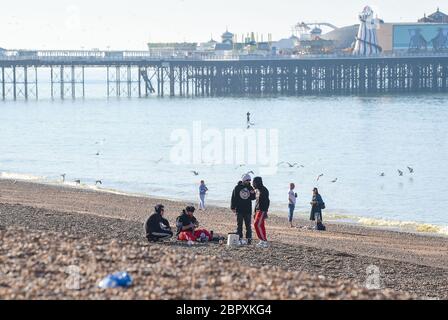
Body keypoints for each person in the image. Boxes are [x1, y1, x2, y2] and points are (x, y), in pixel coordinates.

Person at [231, 174, 256, 245]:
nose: (248, 182)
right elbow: (233, 197)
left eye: (249, 180)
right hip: (239, 209)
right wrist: (232, 207)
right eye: (247, 180)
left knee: (248, 225)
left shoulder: (250, 187)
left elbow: (253, 198)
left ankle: (249, 239)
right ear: (244, 180)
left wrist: (253, 193)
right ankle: (240, 238)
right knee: (239, 225)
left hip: (248, 209)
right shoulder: (237, 187)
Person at [252, 177, 270, 248]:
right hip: (257, 210)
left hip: (262, 210)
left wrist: (265, 211)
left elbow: (267, 202)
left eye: (254, 182)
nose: (253, 184)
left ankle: (264, 241)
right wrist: (254, 212)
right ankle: (262, 241)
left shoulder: (264, 190)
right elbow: (256, 201)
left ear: (258, 182)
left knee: (256, 224)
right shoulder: (257, 190)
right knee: (260, 225)